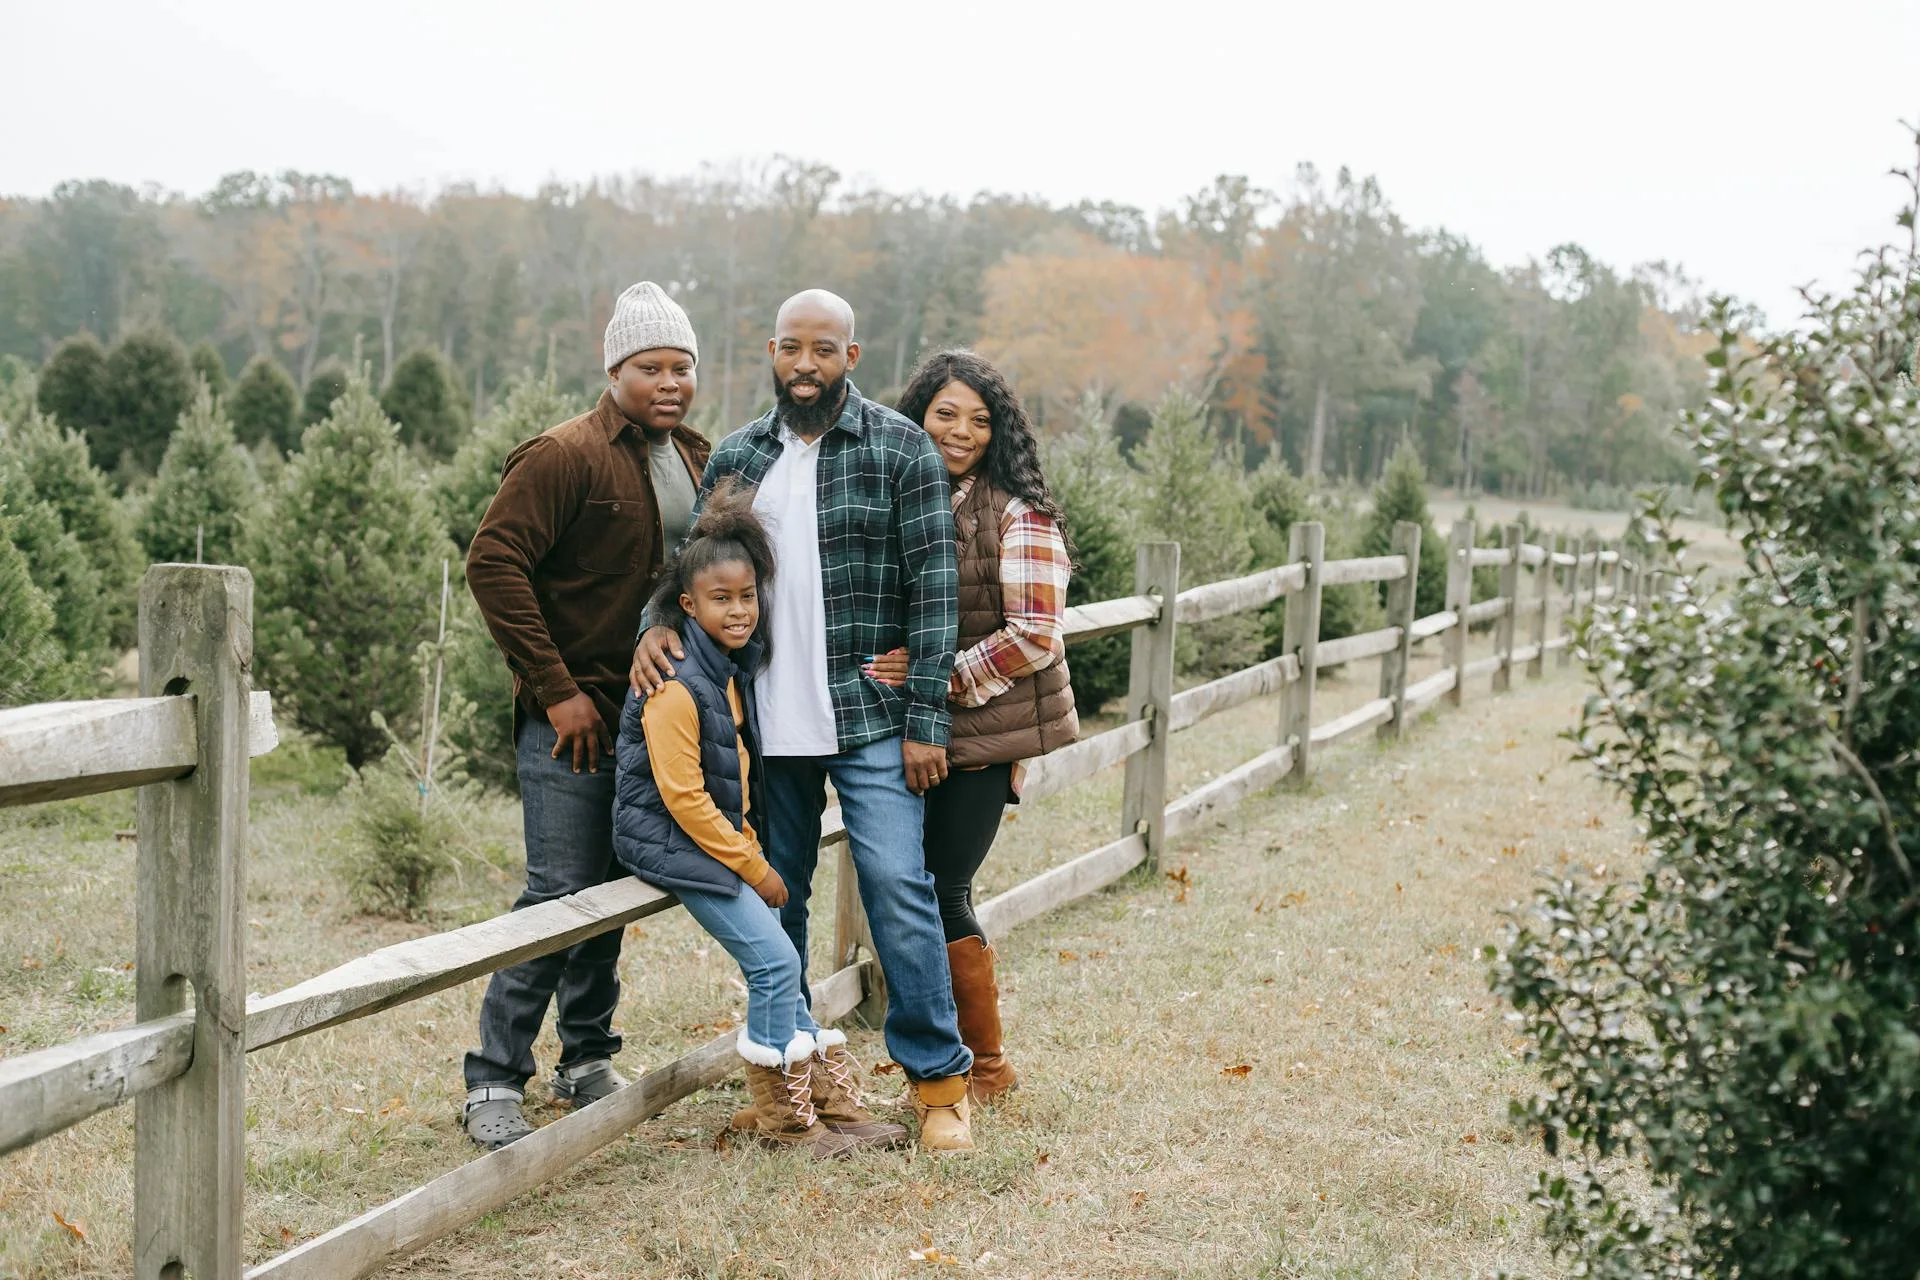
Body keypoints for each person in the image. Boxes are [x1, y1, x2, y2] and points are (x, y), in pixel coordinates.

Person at [631, 289, 977, 1151]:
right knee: (776, 893)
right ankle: (788, 1092)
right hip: (762, 726)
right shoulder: (738, 456)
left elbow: (935, 591)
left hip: (869, 718)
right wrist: (653, 629)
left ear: (850, 357)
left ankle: (940, 1084)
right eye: (792, 348)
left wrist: (926, 719)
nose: (806, 365)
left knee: (898, 888)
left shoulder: (899, 449)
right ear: (773, 351)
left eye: (824, 350)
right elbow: (694, 572)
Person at [460, 281, 708, 1150]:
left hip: (650, 720)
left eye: (682, 367)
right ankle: (494, 1076)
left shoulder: (696, 458)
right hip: (573, 719)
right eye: (650, 367)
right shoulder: (562, 455)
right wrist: (555, 689)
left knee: (612, 893)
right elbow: (493, 564)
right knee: (557, 893)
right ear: (613, 371)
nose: (669, 383)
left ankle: (588, 1057)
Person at [611, 486, 874, 1158]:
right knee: (774, 961)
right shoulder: (674, 685)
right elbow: (684, 799)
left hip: (709, 839)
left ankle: (822, 1101)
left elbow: (733, 787)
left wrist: (747, 847)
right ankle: (784, 1122)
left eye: (748, 596)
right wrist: (753, 866)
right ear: (688, 605)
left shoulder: (731, 670)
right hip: (673, 843)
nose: (738, 610)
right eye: (720, 599)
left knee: (782, 959)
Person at [868, 349, 1078, 1104]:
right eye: (946, 414)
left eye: (980, 420)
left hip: (981, 733)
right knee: (912, 887)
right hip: (914, 731)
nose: (961, 432)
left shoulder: (1017, 513)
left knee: (941, 888)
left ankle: (984, 1066)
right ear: (917, 416)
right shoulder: (903, 496)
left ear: (1000, 433)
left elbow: (1035, 635)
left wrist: (935, 678)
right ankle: (948, 1057)